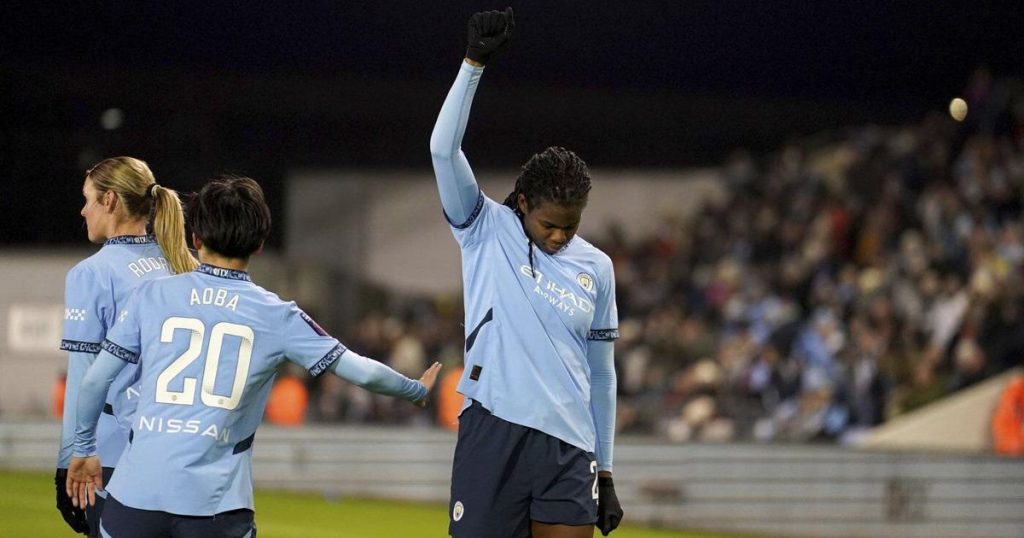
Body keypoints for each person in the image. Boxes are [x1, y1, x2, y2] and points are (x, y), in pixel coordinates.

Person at [66, 176, 441, 537]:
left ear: (195, 239)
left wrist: (83, 449)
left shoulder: (151, 295)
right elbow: (361, 371)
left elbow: (96, 380)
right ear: (259, 244)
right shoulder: (278, 315)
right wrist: (414, 389)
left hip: (135, 499)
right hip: (215, 508)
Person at [429, 9, 623, 537]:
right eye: (548, 224)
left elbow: (602, 375)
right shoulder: (484, 227)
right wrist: (473, 64)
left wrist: (604, 470)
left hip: (570, 447)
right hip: (495, 429)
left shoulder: (597, 268)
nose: (559, 236)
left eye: (571, 226)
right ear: (520, 202)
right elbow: (443, 151)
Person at [56, 156, 198, 536]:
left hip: (113, 452)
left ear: (111, 201)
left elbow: (85, 376)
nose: (83, 210)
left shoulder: (92, 274)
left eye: (88, 199)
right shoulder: (184, 266)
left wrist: (68, 460)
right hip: (183, 453)